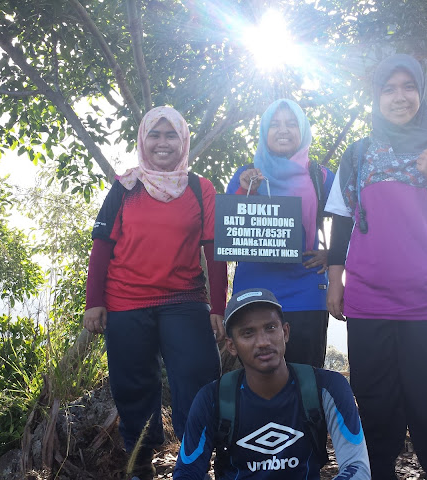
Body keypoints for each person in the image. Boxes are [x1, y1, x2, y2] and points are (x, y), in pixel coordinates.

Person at [325, 53, 427, 480]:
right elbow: (341, 220)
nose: (399, 97)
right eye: (389, 88)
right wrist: (335, 281)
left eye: (408, 87)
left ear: (421, 93)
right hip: (368, 299)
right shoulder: (357, 154)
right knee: (376, 406)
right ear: (376, 97)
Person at [82, 106, 227, 480]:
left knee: (199, 376)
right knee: (133, 386)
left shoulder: (200, 188)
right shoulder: (126, 186)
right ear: (142, 140)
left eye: (171, 135)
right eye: (155, 135)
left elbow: (214, 249)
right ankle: (140, 462)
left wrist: (219, 306)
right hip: (125, 301)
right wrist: (94, 302)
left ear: (184, 141)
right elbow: (102, 246)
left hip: (185, 299)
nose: (163, 143)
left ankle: (194, 460)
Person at [173, 288, 371, 480]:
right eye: (248, 333)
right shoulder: (212, 398)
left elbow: (357, 467)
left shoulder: (327, 387)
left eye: (270, 328)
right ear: (231, 346)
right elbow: (187, 472)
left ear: (285, 332)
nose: (263, 342)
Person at [226, 99, 335, 368]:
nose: (283, 130)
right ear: (264, 131)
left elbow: (356, 220)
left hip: (306, 293)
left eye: (291, 124)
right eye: (275, 124)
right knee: (255, 382)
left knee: (307, 379)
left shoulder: (321, 177)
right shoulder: (245, 176)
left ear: (303, 130)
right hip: (253, 294)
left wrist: (332, 254)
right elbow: (228, 229)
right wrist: (244, 190)